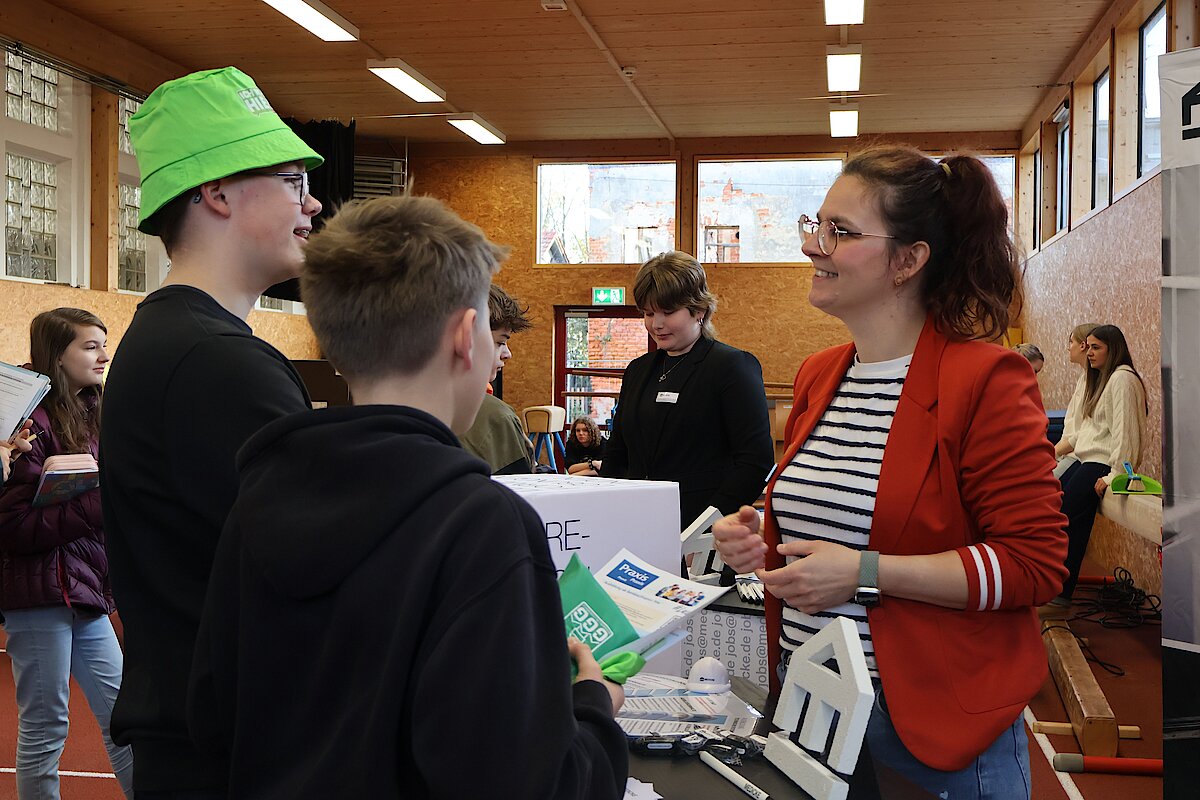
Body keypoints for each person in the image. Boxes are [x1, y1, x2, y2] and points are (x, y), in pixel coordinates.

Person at [188, 195, 628, 798]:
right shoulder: (483, 524)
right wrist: (593, 710)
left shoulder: (258, 499)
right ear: (466, 337)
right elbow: (524, 783)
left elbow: (213, 719)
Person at [713, 146, 1068, 799]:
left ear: (908, 260)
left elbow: (1033, 563)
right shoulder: (821, 374)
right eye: (814, 225)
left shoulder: (985, 379)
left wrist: (866, 572)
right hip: (813, 709)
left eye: (840, 232)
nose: (812, 246)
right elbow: (844, 517)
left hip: (930, 726)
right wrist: (760, 533)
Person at [100, 67, 323, 797]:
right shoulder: (217, 361)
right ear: (218, 193)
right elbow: (319, 566)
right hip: (233, 753)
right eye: (292, 181)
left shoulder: (182, 342)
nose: (312, 203)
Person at [0, 308, 134, 799]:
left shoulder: (97, 415)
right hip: (38, 594)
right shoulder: (24, 424)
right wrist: (100, 500)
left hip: (84, 590)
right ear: (57, 355)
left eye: (104, 345)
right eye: (90, 346)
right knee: (46, 726)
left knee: (124, 719)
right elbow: (13, 529)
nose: (103, 356)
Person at [600, 251, 774, 539]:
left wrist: (706, 528)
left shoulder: (731, 366)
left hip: (701, 532)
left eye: (668, 312)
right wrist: (610, 511)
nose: (656, 324)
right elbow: (617, 454)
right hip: (637, 524)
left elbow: (754, 462)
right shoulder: (638, 370)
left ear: (699, 310)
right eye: (648, 313)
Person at [1053, 324, 1147, 604]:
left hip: (1102, 462)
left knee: (1068, 515)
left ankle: (1060, 593)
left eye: (1096, 348)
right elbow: (1087, 432)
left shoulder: (1122, 378)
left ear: (1112, 349)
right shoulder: (1103, 378)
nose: (1089, 352)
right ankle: (1054, 587)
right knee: (1059, 508)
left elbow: (1126, 431)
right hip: (1088, 458)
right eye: (1088, 346)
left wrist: (1116, 473)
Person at [459, 284, 536, 474]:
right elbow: (518, 488)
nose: (507, 354)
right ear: (467, 337)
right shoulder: (497, 416)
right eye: (500, 342)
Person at [1054, 322, 1100, 462]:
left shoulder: (1095, 384)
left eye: (1071, 342)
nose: (1068, 348)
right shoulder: (1083, 379)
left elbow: (1084, 431)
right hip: (1068, 452)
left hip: (1079, 455)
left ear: (1082, 345)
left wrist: (1055, 452)